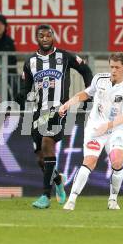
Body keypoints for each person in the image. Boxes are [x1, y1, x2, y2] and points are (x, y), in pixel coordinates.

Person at [20, 24, 93, 209]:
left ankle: (46, 196)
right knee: (40, 158)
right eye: (41, 35)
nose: (45, 38)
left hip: (59, 110)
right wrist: (20, 97)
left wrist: (89, 94)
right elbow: (25, 88)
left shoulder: (65, 57)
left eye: (48, 35)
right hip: (38, 112)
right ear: (36, 38)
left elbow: (86, 70)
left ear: (53, 36)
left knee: (47, 143)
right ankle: (58, 180)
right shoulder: (30, 62)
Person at [59, 52, 123, 211]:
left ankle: (113, 199)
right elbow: (86, 93)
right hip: (95, 127)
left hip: (116, 129)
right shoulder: (100, 79)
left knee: (117, 161)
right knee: (90, 161)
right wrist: (68, 103)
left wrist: (107, 126)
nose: (113, 70)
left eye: (117, 67)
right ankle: (72, 199)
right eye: (111, 67)